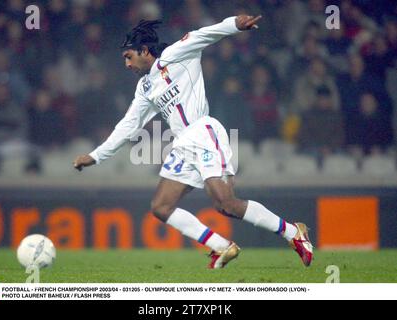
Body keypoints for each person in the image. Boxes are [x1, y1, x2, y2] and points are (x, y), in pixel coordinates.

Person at [73, 15, 313, 268]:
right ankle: (221, 246)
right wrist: (96, 156)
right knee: (161, 207)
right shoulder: (144, 87)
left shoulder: (176, 54)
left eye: (128, 56)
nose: (126, 63)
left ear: (144, 51)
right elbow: (129, 125)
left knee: (226, 203)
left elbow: (203, 34)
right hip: (183, 144)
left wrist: (234, 24)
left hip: (203, 131)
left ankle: (292, 232)